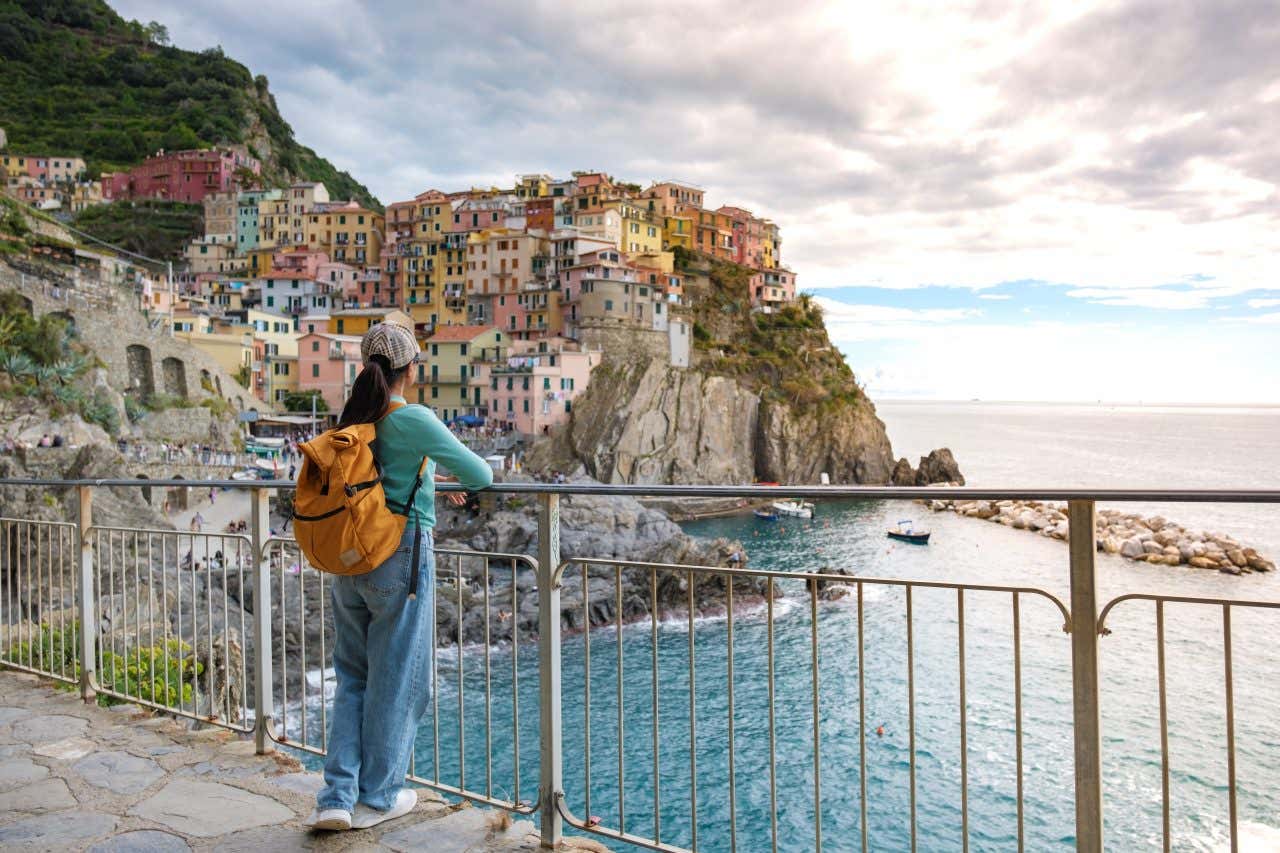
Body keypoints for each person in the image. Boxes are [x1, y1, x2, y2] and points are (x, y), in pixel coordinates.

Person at [308, 323, 492, 832]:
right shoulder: (412, 417)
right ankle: (380, 797)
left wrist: (429, 476)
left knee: (352, 677)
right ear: (410, 370)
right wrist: (443, 475)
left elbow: (377, 476)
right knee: (401, 683)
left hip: (349, 558)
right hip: (402, 556)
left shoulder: (353, 417)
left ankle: (336, 799)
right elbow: (483, 475)